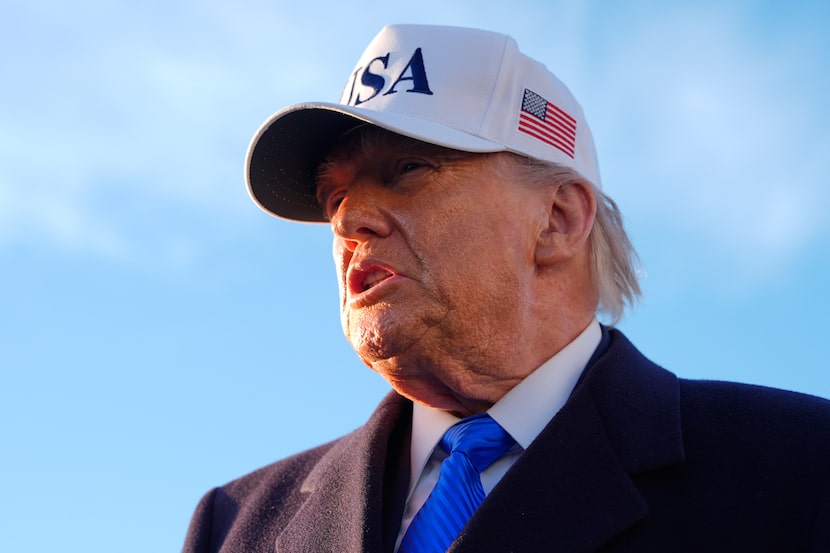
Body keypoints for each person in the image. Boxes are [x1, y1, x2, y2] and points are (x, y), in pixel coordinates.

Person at [183, 24, 830, 553]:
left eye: (408, 168)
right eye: (336, 197)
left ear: (559, 219)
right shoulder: (236, 527)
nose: (349, 221)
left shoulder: (799, 471)